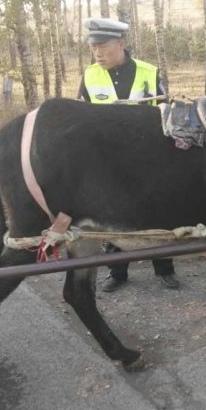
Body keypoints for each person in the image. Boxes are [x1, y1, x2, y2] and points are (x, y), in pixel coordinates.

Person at [77, 17, 179, 292]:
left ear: (121, 44)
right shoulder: (89, 76)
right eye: (94, 47)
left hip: (148, 160)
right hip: (109, 163)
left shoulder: (150, 72)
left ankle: (164, 268)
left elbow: (166, 117)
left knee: (158, 215)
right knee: (113, 218)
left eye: (104, 46)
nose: (98, 53)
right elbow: (81, 119)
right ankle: (117, 272)